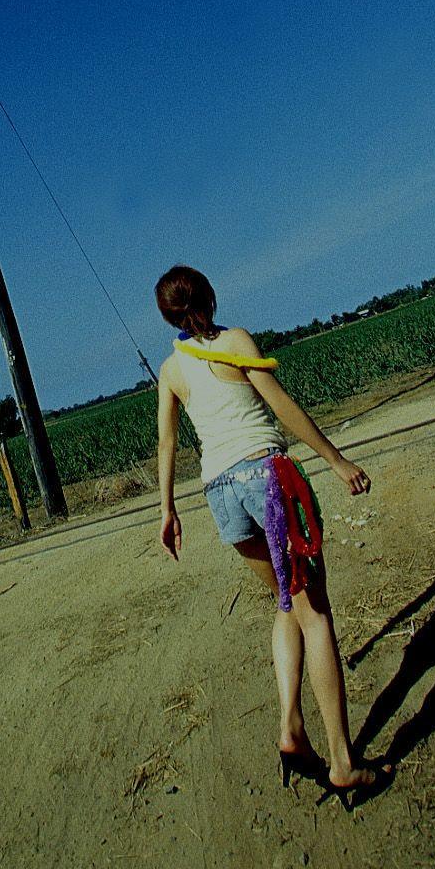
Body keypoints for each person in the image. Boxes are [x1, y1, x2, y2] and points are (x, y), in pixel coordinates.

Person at [154, 263, 392, 804]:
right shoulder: (234, 340)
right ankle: (343, 762)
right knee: (316, 612)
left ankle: (290, 727)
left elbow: (168, 445)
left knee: (286, 602)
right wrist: (334, 459)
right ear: (209, 298)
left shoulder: (171, 370)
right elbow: (279, 403)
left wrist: (167, 510)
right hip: (267, 479)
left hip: (220, 494)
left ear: (169, 317)